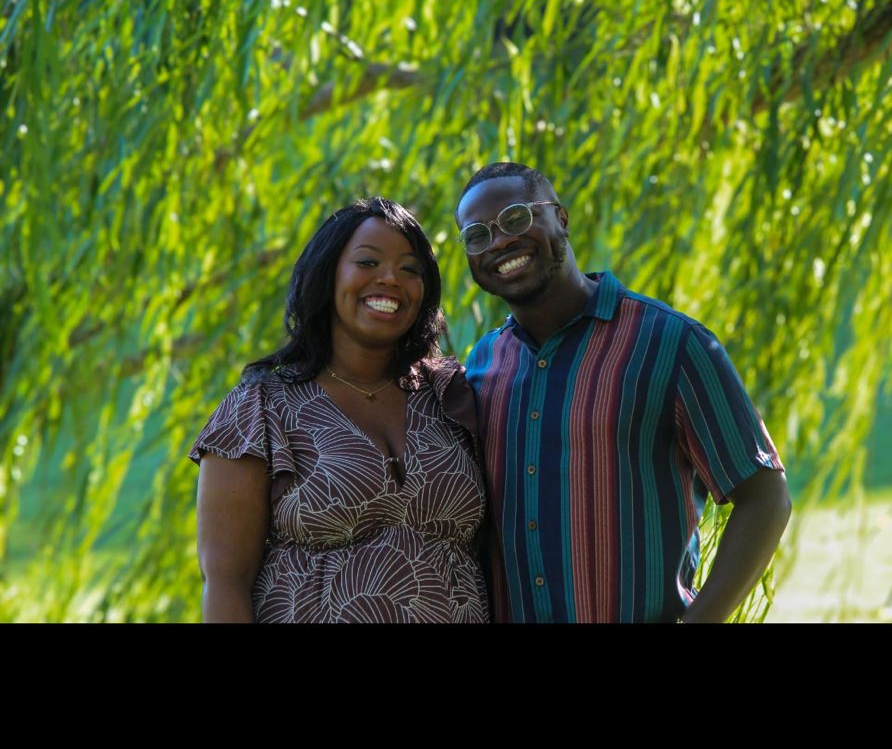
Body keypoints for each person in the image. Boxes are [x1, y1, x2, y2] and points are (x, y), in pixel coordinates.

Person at [455, 162, 791, 624]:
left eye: (516, 218)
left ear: (561, 218)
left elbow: (766, 497)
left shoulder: (670, 343)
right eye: (477, 235)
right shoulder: (482, 365)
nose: (500, 241)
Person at [188, 197, 489, 623]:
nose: (391, 279)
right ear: (327, 275)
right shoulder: (260, 407)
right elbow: (224, 583)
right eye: (368, 263)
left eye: (410, 269)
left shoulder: (450, 396)